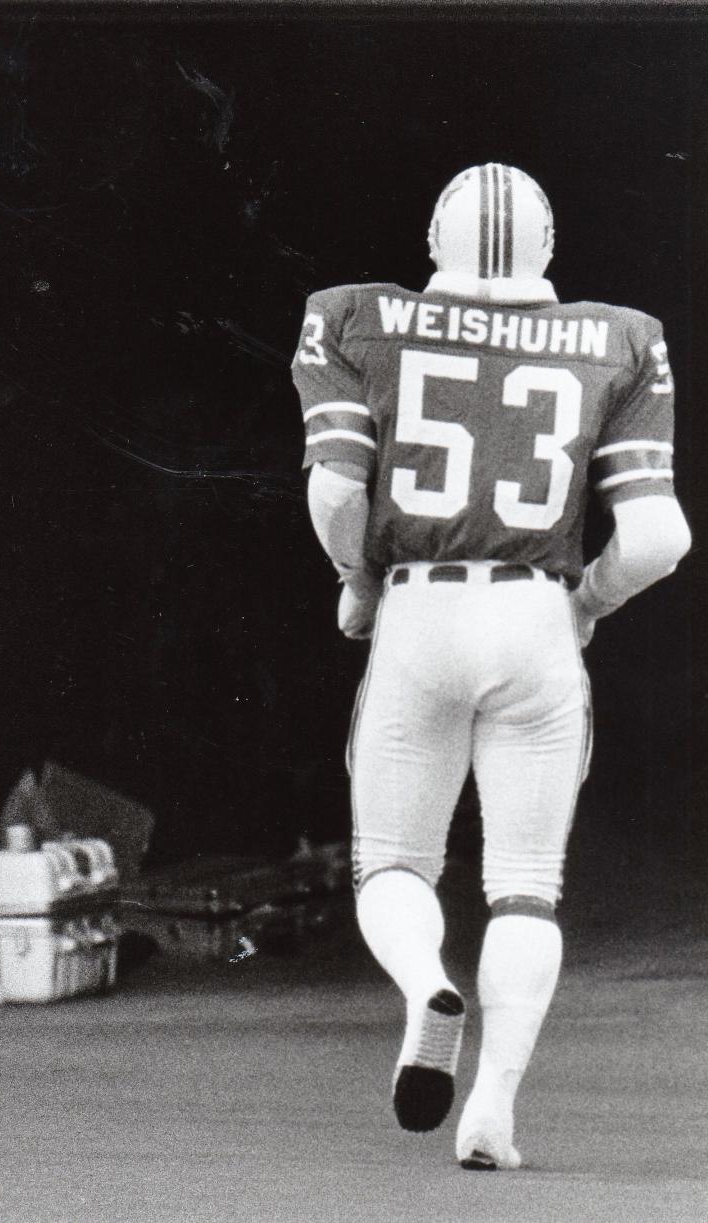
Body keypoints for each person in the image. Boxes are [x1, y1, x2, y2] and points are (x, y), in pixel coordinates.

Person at [290, 163, 691, 1170]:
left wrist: (359, 576)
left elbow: (338, 496)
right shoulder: (622, 338)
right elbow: (659, 535)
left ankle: (428, 979)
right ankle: (493, 1112)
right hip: (535, 620)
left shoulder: (353, 317)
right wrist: (588, 599)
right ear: (548, 251)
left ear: (435, 242)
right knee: (526, 887)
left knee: (392, 861)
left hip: (423, 609)